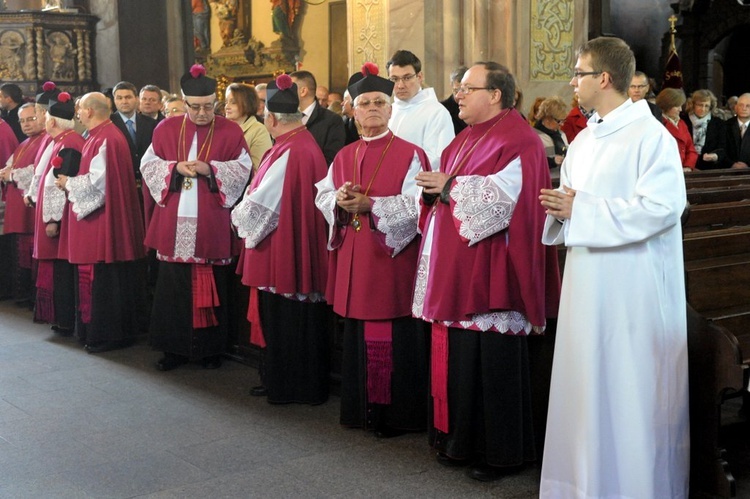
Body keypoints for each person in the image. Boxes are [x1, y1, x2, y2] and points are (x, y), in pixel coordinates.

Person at [539, 36, 689, 498]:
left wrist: (580, 211)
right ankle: (583, 485)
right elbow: (573, 204)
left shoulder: (650, 137)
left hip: (632, 289)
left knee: (627, 389)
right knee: (586, 385)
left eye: (579, 74)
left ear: (603, 78)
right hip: (587, 283)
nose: (573, 82)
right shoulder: (584, 140)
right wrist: (563, 211)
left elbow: (664, 206)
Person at [414, 61, 559, 481]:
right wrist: (435, 189)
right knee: (464, 362)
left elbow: (507, 199)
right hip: (461, 268)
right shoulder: (465, 138)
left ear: (495, 94)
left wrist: (448, 187)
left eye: (466, 88)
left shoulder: (521, 140)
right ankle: (462, 442)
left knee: (492, 367)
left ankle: (501, 454)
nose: (457, 94)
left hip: (496, 268)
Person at [316, 63, 431, 437]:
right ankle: (360, 410)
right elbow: (323, 194)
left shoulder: (411, 153)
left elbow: (418, 205)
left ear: (390, 107)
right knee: (357, 334)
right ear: (352, 109)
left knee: (391, 333)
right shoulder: (345, 154)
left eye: (379, 102)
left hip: (388, 259)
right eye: (364, 103)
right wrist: (339, 200)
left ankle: (394, 417)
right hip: (355, 253)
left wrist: (373, 207)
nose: (372, 109)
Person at [141, 64, 251, 371]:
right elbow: (148, 164)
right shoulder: (165, 128)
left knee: (212, 284)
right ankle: (173, 350)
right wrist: (174, 168)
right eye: (195, 107)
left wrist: (211, 169)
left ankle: (209, 350)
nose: (202, 113)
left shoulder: (230, 130)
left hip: (210, 218)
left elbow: (243, 169)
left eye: (208, 107)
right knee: (173, 289)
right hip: (174, 218)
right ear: (184, 103)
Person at [232, 74, 330, 405]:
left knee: (286, 319)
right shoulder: (300, 143)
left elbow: (261, 206)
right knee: (291, 318)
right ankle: (286, 380)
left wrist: (240, 211)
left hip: (284, 249)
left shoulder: (289, 150)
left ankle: (289, 385)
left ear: (271, 119)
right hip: (293, 243)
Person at [55, 92, 147, 353]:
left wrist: (67, 183)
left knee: (104, 280)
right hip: (99, 222)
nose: (78, 113)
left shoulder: (106, 137)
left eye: (80, 109)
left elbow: (99, 184)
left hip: (102, 222)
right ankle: (97, 332)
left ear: (90, 111)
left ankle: (108, 334)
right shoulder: (99, 135)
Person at [29, 93, 84, 334]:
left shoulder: (69, 142)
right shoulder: (61, 139)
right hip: (52, 217)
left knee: (60, 271)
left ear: (52, 121)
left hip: (59, 221)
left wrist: (52, 220)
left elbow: (60, 183)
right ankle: (59, 318)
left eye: (45, 116)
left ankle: (64, 320)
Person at [0, 103, 47, 306]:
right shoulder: (24, 142)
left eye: (31, 119)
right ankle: (23, 294)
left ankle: (31, 296)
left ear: (42, 117)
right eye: (23, 120)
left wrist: (11, 174)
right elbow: (11, 164)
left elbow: (38, 172)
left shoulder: (46, 140)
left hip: (31, 207)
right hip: (18, 205)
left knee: (30, 251)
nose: (26, 124)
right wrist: (5, 172)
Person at [387, 50, 454, 171]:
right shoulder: (389, 110)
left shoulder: (436, 112)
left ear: (420, 77)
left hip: (418, 185)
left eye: (407, 78)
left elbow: (438, 159)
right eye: (394, 79)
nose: (400, 85)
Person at [290, 70, 345, 165]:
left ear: (303, 91)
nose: (285, 94)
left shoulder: (332, 120)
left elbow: (332, 160)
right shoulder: (287, 118)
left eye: (289, 89)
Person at [224, 82, 272, 172]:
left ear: (246, 103)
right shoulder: (222, 128)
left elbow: (260, 169)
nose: (227, 106)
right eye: (226, 102)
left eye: (233, 102)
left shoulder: (259, 130)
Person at [655, 87, 698, 171]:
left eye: (681, 106)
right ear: (667, 106)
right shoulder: (658, 123)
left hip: (685, 169)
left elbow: (691, 149)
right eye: (677, 106)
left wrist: (688, 166)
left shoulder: (682, 123)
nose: (680, 109)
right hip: (668, 170)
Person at [686, 89, 726, 170]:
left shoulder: (718, 123)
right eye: (700, 105)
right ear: (693, 104)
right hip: (687, 166)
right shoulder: (684, 121)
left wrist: (715, 156)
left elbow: (723, 147)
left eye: (706, 106)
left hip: (710, 167)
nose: (703, 109)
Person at [533, 96, 570, 169]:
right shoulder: (534, 136)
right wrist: (552, 161)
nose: (562, 124)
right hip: (545, 179)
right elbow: (532, 161)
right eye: (559, 121)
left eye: (563, 120)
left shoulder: (561, 134)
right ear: (548, 118)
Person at [440, 66, 468, 135]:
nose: (459, 95)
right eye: (456, 90)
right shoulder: (442, 109)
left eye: (464, 90)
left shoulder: (478, 107)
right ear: (451, 86)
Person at [725, 92, 750, 169]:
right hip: (728, 171)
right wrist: (732, 164)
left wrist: (747, 166)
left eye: (748, 106)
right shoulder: (725, 125)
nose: (744, 108)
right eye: (741, 105)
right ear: (736, 107)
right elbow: (721, 149)